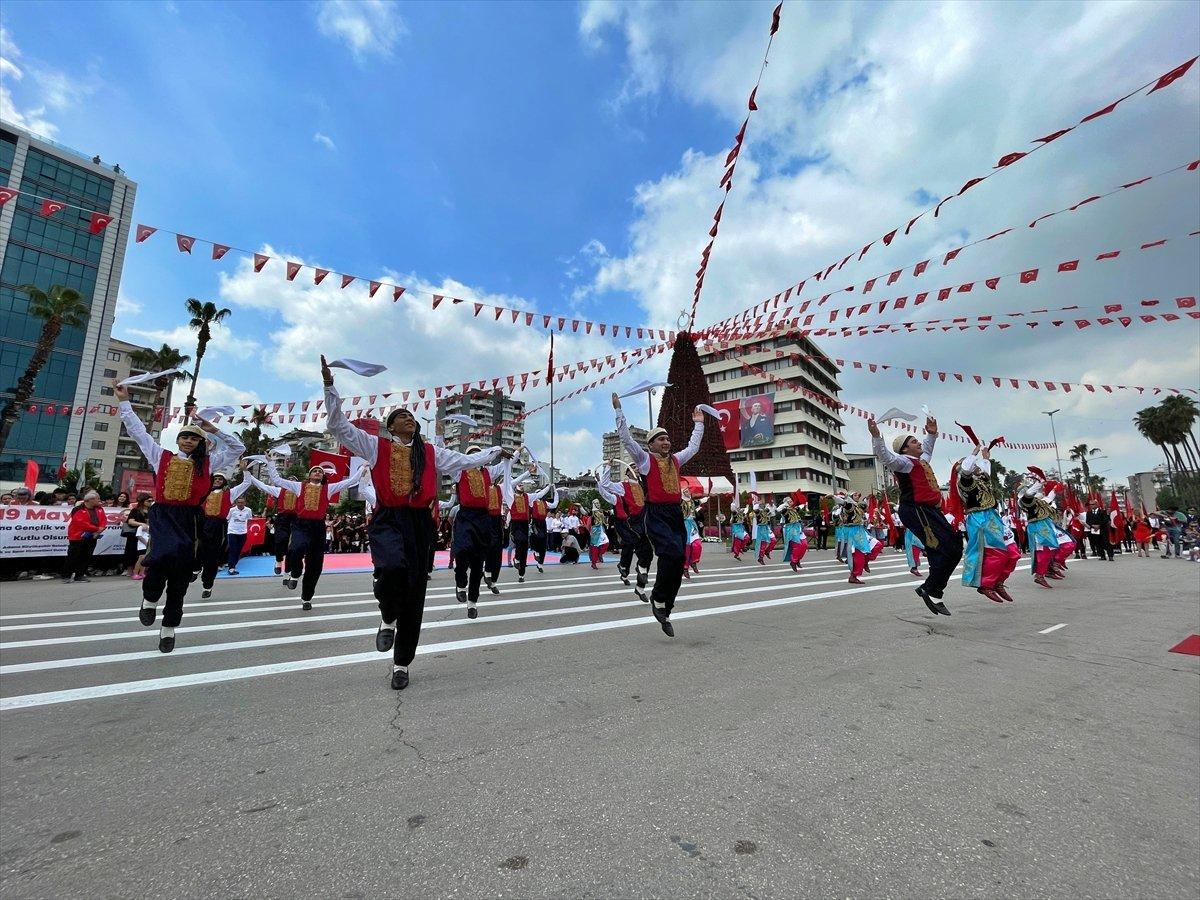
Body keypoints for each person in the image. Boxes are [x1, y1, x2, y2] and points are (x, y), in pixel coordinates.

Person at [323, 356, 504, 690]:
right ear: (391, 426)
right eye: (400, 416)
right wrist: (330, 386)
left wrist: (496, 453)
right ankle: (387, 615)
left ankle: (401, 663)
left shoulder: (432, 453)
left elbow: (466, 460)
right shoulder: (374, 446)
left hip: (420, 523)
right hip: (388, 519)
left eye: (410, 415)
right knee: (391, 569)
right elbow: (339, 427)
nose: (408, 418)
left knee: (416, 591)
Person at [115, 380, 245, 653]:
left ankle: (169, 628)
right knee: (160, 560)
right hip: (164, 515)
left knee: (181, 575)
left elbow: (237, 450)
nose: (189, 440)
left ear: (200, 442)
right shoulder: (159, 456)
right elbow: (138, 432)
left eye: (194, 437)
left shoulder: (209, 464)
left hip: (191, 519)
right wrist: (124, 402)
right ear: (178, 440)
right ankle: (149, 600)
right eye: (185, 436)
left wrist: (214, 430)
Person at [612, 392, 705, 638]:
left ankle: (664, 606)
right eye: (661, 439)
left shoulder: (676, 460)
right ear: (651, 444)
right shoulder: (644, 461)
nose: (666, 442)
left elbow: (693, 447)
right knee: (670, 553)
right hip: (655, 514)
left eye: (667, 439)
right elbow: (627, 439)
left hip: (675, 514)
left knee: (678, 561)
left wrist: (699, 423)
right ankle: (657, 598)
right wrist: (619, 411)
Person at [868, 414, 962, 616]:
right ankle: (932, 589)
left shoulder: (921, 461)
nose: (918, 443)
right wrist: (876, 436)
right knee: (940, 548)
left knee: (954, 547)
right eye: (913, 441)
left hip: (929, 511)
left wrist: (932, 434)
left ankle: (931, 588)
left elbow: (927, 449)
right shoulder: (903, 462)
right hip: (915, 510)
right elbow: (886, 457)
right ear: (904, 449)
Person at [265, 456, 363, 611]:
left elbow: (349, 482)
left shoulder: (328, 488)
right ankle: (295, 573)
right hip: (301, 525)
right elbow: (277, 480)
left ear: (323, 476)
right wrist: (270, 462)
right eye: (314, 471)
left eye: (320, 471)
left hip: (318, 527)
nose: (317, 472)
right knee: (296, 549)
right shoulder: (298, 486)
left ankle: (306, 598)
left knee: (315, 565)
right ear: (309, 475)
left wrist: (363, 468)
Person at [952, 445, 1019, 604]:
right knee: (997, 552)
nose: (975, 465)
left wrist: (985, 458)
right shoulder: (965, 483)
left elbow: (985, 472)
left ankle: (998, 582)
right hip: (980, 519)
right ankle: (986, 584)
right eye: (970, 463)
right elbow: (967, 470)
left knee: (1013, 552)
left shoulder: (980, 479)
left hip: (993, 517)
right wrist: (973, 454)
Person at [598, 461, 653, 600]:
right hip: (628, 523)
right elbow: (605, 486)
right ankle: (625, 569)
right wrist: (608, 467)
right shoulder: (622, 486)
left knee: (648, 553)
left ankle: (639, 586)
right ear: (627, 472)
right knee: (631, 545)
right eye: (632, 467)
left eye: (637, 466)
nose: (636, 469)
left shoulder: (642, 486)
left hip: (644, 522)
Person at [197, 470, 254, 599]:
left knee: (212, 556)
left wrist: (245, 470)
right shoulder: (203, 493)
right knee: (197, 548)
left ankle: (207, 585)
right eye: (215, 478)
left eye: (220, 479)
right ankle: (195, 568)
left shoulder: (229, 494)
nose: (217, 481)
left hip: (218, 525)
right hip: (203, 523)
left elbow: (246, 483)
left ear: (224, 482)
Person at [503, 460, 556, 582]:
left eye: (523, 484)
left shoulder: (528, 497)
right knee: (520, 542)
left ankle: (521, 574)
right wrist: (528, 472)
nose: (521, 485)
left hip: (525, 524)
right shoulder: (510, 496)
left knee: (524, 548)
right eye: (519, 484)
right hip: (516, 525)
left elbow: (540, 494)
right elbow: (509, 483)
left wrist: (549, 486)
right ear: (515, 487)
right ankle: (516, 558)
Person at [1019, 471, 1062, 589]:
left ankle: (1047, 570)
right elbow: (1028, 494)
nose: (1042, 491)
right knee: (1043, 552)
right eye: (1039, 490)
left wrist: (1054, 489)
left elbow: (1049, 498)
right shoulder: (1026, 502)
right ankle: (1040, 575)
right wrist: (1039, 483)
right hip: (1037, 529)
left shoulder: (1041, 502)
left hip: (1045, 528)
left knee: (1051, 550)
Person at [64, 492, 108, 583]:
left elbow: (103, 520)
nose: (99, 501)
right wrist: (97, 529)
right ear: (91, 500)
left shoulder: (99, 509)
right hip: (78, 536)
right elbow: (80, 523)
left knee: (86, 556)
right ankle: (67, 575)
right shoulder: (78, 509)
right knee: (74, 556)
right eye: (97, 499)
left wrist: (100, 530)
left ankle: (79, 575)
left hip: (92, 536)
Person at [839, 492, 882, 585]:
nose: (858, 497)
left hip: (861, 531)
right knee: (859, 555)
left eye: (858, 495)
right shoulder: (849, 507)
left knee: (877, 545)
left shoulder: (858, 507)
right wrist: (837, 498)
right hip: (853, 532)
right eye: (855, 495)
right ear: (850, 497)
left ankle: (866, 561)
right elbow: (845, 505)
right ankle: (853, 576)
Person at [226, 489, 255, 574]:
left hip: (242, 532)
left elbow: (250, 520)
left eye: (242, 502)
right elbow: (227, 519)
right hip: (232, 532)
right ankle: (231, 567)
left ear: (245, 503)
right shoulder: (232, 510)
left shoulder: (248, 510)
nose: (240, 504)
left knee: (238, 550)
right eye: (239, 502)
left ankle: (233, 564)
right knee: (233, 549)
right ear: (236, 503)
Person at [122, 494, 152, 575]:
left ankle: (143, 571)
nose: (150, 502)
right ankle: (130, 571)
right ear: (142, 501)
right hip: (135, 534)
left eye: (151, 501)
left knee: (146, 553)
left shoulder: (152, 511)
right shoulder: (135, 510)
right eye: (148, 501)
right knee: (132, 552)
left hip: (148, 534)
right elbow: (130, 521)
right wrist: (141, 524)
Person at [778, 496, 809, 572]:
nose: (791, 502)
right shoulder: (784, 510)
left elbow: (800, 506)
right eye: (789, 501)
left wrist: (803, 504)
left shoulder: (794, 509)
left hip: (798, 529)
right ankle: (793, 562)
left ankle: (798, 559)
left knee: (805, 544)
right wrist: (785, 504)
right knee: (797, 545)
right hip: (791, 529)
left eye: (791, 500)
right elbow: (778, 509)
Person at [589, 499, 611, 569]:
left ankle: (599, 554)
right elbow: (585, 513)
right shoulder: (592, 512)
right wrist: (580, 507)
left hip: (601, 530)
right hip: (595, 530)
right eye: (597, 504)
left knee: (606, 542)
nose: (598, 505)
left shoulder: (601, 511)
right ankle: (594, 563)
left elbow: (608, 514)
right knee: (595, 547)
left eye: (599, 503)